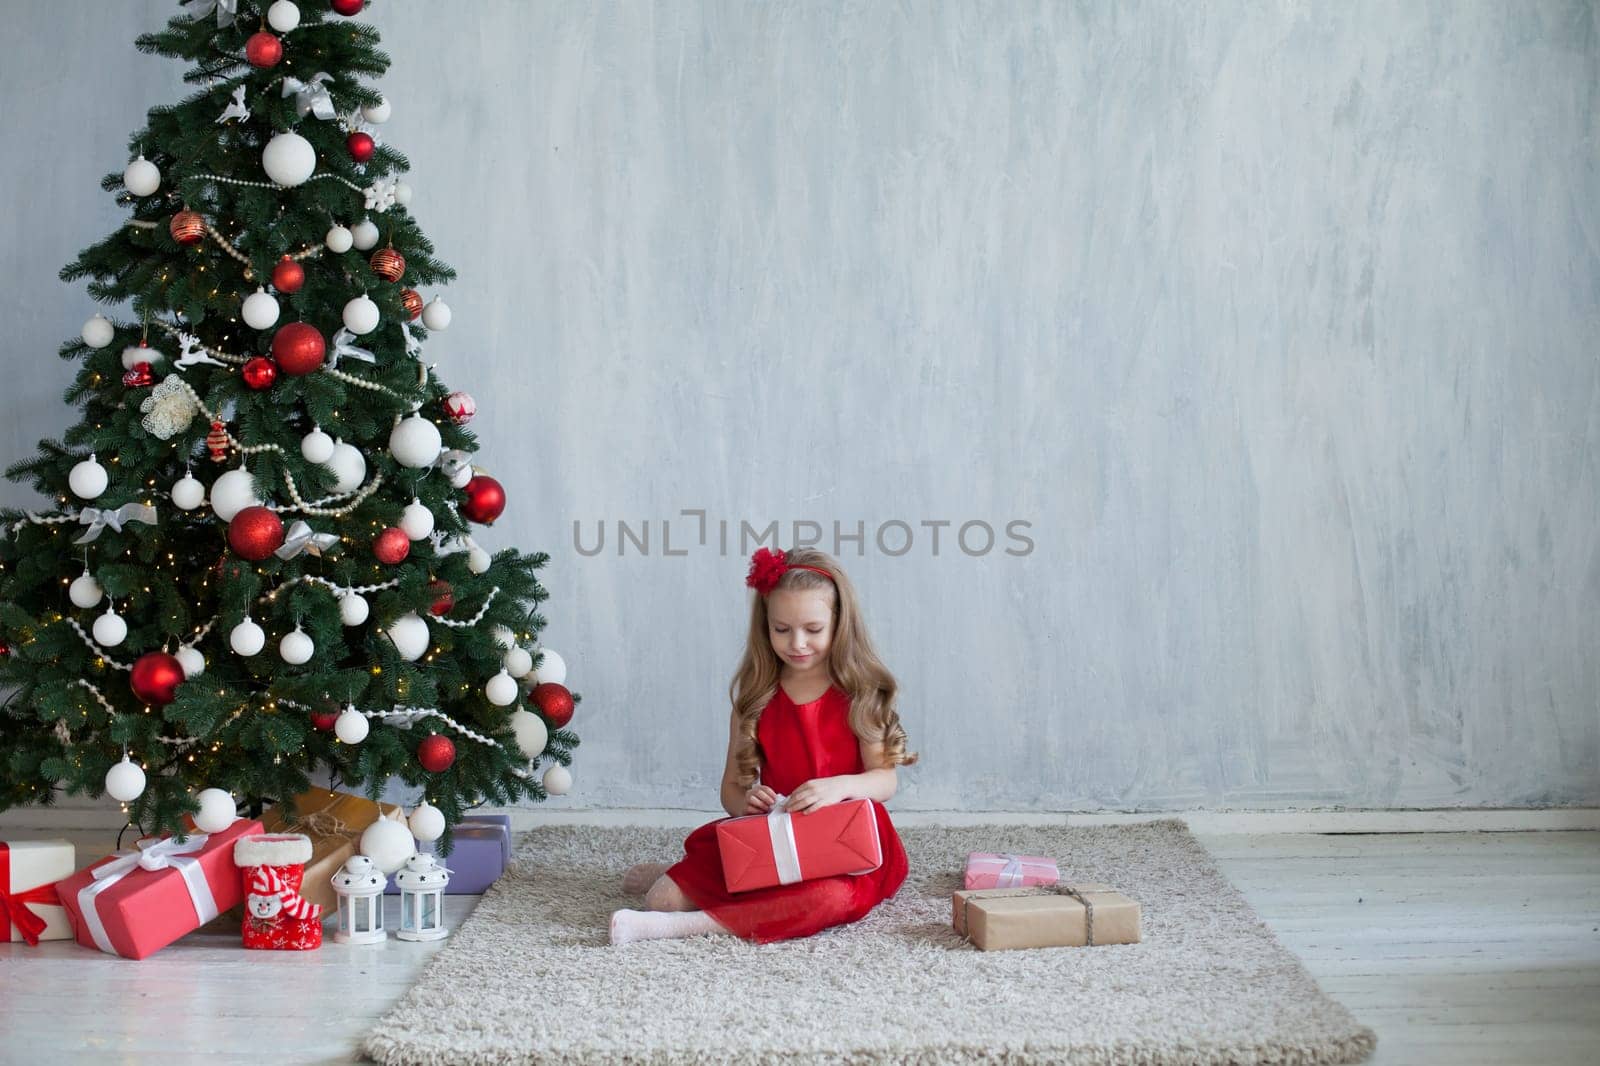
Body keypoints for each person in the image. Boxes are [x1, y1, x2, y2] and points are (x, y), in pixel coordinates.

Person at [609, 546, 916, 944]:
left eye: (813, 629)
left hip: (847, 846)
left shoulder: (859, 694)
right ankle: (673, 879)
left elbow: (885, 781)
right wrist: (746, 802)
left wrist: (839, 787)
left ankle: (685, 927)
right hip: (775, 835)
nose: (797, 643)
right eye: (782, 629)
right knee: (662, 898)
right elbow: (731, 791)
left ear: (839, 623)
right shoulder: (757, 699)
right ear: (765, 625)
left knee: (830, 900)